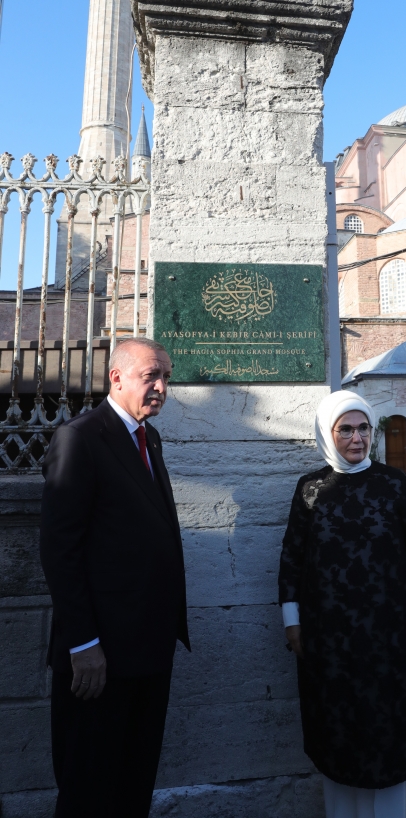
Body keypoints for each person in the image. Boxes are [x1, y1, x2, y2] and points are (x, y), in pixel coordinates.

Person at [40, 338, 190, 818]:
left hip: (149, 647)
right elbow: (60, 551)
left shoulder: (149, 438)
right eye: (151, 376)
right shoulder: (80, 438)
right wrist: (83, 644)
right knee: (89, 789)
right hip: (99, 657)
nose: (161, 387)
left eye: (166, 377)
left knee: (133, 784)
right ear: (117, 377)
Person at [279, 391, 406, 818]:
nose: (357, 438)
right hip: (329, 638)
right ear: (327, 434)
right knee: (339, 730)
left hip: (389, 634)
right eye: (345, 429)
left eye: (364, 428)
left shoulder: (395, 484)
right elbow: (292, 556)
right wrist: (292, 620)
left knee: (388, 730)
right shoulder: (310, 489)